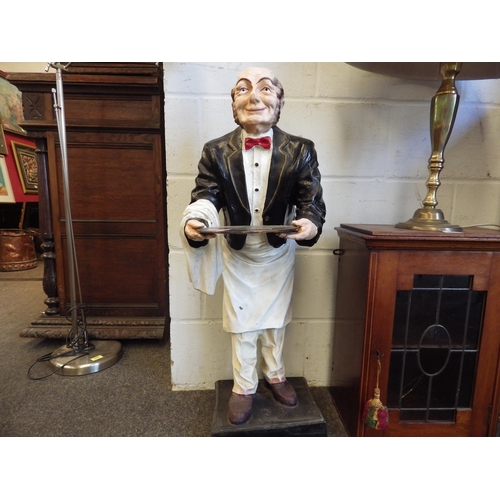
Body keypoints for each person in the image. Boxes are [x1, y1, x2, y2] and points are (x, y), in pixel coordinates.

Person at [181, 67, 326, 425]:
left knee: (275, 322)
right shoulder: (216, 151)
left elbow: (310, 198)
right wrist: (196, 219)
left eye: (265, 89)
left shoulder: (301, 149)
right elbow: (206, 194)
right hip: (238, 253)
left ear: (279, 101)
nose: (254, 97)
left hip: (278, 252)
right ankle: (244, 386)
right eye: (243, 90)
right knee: (243, 324)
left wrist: (310, 222)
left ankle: (275, 375)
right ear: (233, 103)